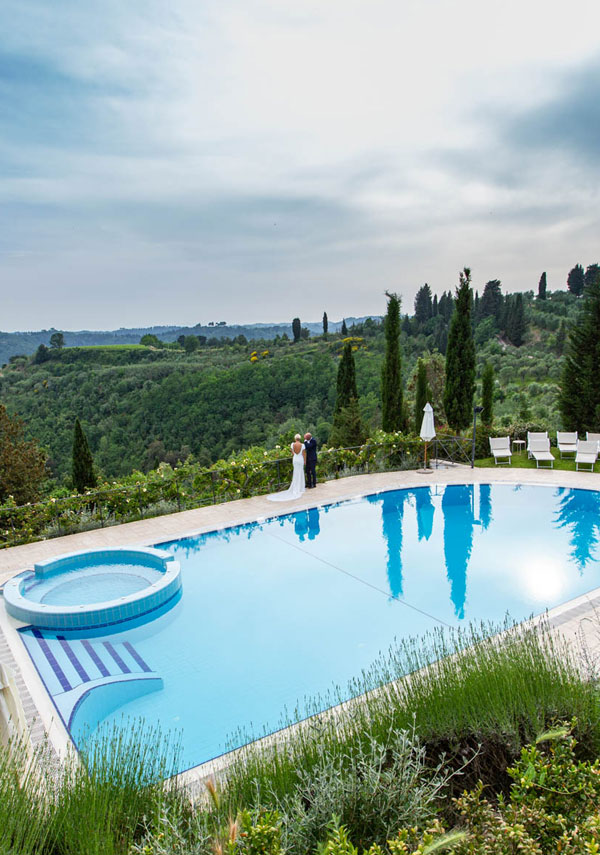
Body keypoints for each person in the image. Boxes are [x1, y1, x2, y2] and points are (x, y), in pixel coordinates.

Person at [266, 434, 306, 502]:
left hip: (295, 459)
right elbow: (304, 453)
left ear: (295, 438)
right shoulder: (302, 445)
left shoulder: (292, 444)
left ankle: (296, 487)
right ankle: (301, 487)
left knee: (295, 472)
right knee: (301, 472)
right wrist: (305, 460)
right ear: (300, 438)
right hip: (300, 459)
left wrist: (295, 454)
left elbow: (292, 453)